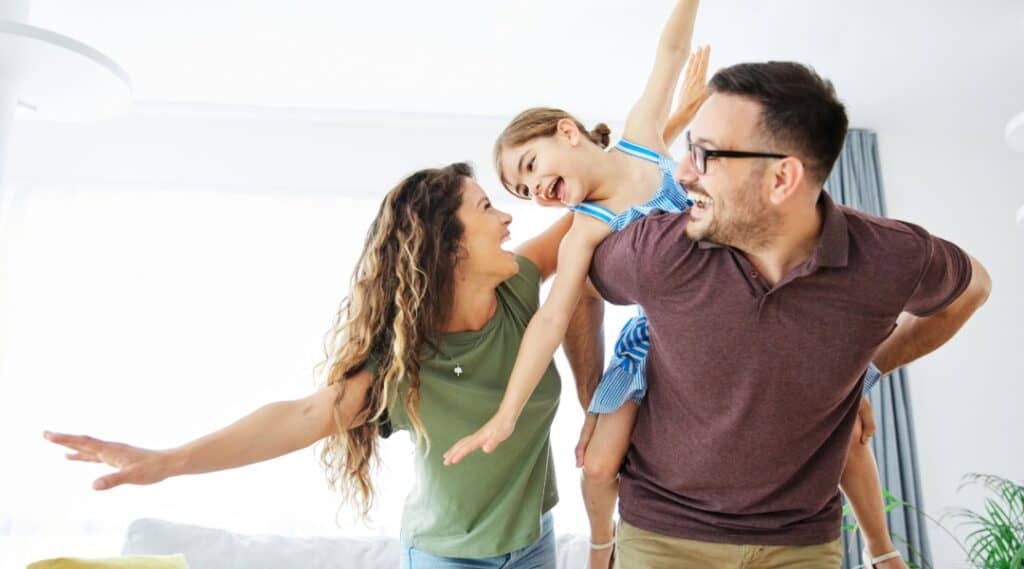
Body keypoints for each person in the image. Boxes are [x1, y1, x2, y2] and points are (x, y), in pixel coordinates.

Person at [442, 2, 902, 567]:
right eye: (520, 190)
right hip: (657, 341)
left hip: (738, 301)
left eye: (532, 166)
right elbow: (551, 318)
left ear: (567, 132)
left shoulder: (643, 141)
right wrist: (508, 412)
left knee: (843, 426)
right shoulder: (584, 229)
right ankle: (600, 544)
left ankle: (882, 551)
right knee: (601, 460)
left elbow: (669, 53)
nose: (534, 189)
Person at [45, 163, 576, 569]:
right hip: (449, 556)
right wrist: (169, 461)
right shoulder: (397, 365)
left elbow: (600, 200)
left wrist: (659, 122)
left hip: (534, 540)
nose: (507, 216)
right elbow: (300, 418)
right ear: (448, 246)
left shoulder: (518, 289)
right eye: (486, 208)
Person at [581, 60, 991, 568]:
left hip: (803, 546)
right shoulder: (660, 251)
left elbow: (974, 288)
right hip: (665, 537)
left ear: (782, 177)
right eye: (689, 149)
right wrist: (592, 400)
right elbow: (581, 286)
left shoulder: (891, 258)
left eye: (705, 154)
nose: (684, 172)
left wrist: (869, 369)